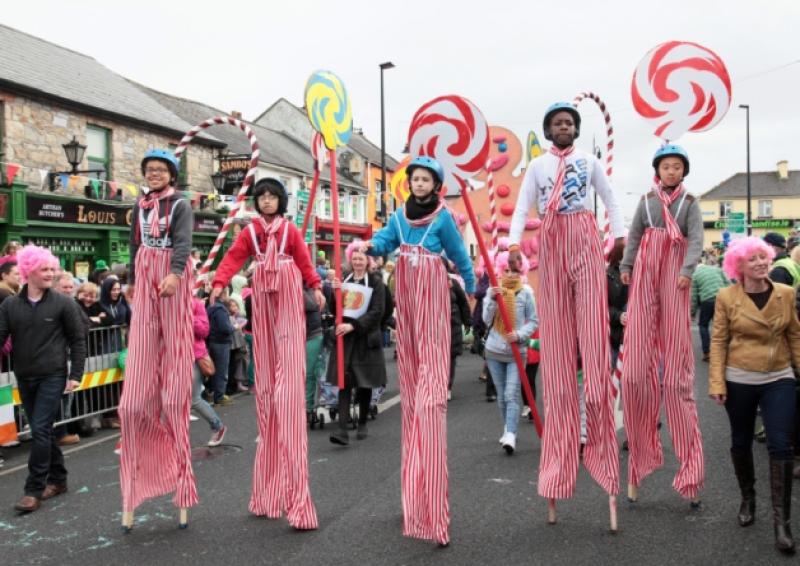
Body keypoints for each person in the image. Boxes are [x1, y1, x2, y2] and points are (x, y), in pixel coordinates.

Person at [508, 102, 624, 523]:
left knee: (594, 337)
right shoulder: (537, 167)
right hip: (553, 234)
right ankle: (559, 457)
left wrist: (621, 237)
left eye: (570, 123)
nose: (564, 127)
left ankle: (599, 435)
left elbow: (610, 200)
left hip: (584, 231)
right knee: (556, 343)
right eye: (558, 123)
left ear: (575, 129)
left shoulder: (588, 161)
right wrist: (514, 244)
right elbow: (522, 209)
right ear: (548, 129)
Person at [362, 156, 475, 547]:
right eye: (415, 178)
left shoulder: (443, 217)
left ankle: (434, 385)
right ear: (409, 183)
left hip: (430, 286)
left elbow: (459, 254)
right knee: (409, 356)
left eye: (426, 179)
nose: (420, 183)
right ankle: (416, 385)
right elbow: (384, 241)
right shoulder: (398, 216)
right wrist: (372, 246)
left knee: (430, 359)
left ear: (436, 184)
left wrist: (472, 285)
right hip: (405, 290)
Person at [211, 177, 323, 530]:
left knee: (288, 364)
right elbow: (232, 259)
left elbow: (305, 263)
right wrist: (218, 282)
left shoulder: (290, 231)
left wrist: (317, 287)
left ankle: (289, 376)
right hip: (263, 296)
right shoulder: (251, 233)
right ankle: (266, 493)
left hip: (288, 293)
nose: (268, 202)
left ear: (281, 201)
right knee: (266, 378)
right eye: (263, 197)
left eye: (273, 197)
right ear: (256, 202)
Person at [619, 144, 704, 506]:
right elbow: (635, 235)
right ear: (658, 169)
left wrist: (687, 270)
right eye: (666, 166)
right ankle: (640, 461)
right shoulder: (646, 200)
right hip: (645, 271)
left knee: (676, 378)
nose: (671, 172)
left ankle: (691, 473)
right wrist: (626, 265)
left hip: (673, 270)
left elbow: (697, 239)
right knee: (636, 375)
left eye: (677, 167)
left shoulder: (690, 203)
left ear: (684, 171)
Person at [117, 148, 197, 531]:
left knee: (172, 395)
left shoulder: (179, 205)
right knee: (133, 404)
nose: (153, 174)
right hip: (146, 268)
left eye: (160, 170)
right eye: (149, 170)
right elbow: (134, 244)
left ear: (171, 174)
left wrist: (176, 274)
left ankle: (180, 480)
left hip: (170, 271)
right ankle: (137, 480)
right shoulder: (140, 204)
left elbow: (182, 242)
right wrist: (133, 280)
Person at [710, 236, 798, 555]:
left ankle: (782, 523)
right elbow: (718, 340)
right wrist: (717, 382)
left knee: (780, 444)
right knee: (740, 441)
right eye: (754, 259)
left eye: (765, 256)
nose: (762, 262)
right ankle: (748, 497)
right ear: (739, 266)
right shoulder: (726, 297)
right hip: (739, 378)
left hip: (779, 375)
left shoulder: (786, 294)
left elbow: (795, 334)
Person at [0, 245, 86, 513]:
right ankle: (58, 479)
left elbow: (78, 339)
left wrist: (75, 375)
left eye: (52, 268)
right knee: (43, 431)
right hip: (25, 377)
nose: (50, 274)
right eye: (44, 269)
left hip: (53, 375)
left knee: (39, 429)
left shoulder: (63, 303)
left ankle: (33, 489)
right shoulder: (10, 304)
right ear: (29, 272)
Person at [328, 241, 387, 446]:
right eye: (354, 258)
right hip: (346, 339)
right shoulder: (344, 279)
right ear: (350, 260)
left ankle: (362, 422)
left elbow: (378, 311)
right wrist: (333, 291)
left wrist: (354, 326)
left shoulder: (376, 282)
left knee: (364, 383)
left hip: (365, 338)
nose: (357, 262)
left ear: (367, 260)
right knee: (344, 383)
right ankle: (342, 429)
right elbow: (335, 308)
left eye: (361, 258)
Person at [482, 251, 538, 455]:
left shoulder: (527, 292)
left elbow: (533, 321)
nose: (510, 274)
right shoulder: (494, 292)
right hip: (494, 350)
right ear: (499, 270)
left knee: (511, 393)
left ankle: (512, 434)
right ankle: (507, 428)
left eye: (514, 270)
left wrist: (520, 334)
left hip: (517, 351)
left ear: (521, 270)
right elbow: (487, 320)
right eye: (506, 270)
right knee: (501, 395)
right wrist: (491, 299)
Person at [191, 296, 226, 447]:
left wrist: (188, 317)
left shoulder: (196, 304)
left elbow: (204, 331)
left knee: (194, 399)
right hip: (170, 358)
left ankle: (218, 426)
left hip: (193, 357)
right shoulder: (166, 303)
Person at [691, 257, 729, 361]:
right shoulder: (717, 269)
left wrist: (692, 313)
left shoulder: (695, 275)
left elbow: (693, 297)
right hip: (723, 298)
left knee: (703, 325)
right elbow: (728, 283)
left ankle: (707, 352)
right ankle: (725, 350)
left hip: (707, 301)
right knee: (722, 325)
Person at [206, 293, 234, 405]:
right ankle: (220, 396)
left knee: (212, 369)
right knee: (221, 370)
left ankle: (212, 393)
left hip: (211, 341)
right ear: (223, 295)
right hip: (221, 343)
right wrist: (233, 327)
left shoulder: (211, 308)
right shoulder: (221, 309)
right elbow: (225, 328)